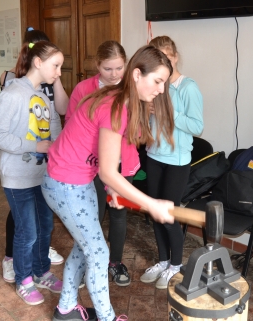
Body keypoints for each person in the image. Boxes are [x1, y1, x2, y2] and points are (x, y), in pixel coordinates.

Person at [42, 45, 175, 321]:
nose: (161, 90)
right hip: (65, 184)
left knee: (86, 245)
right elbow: (107, 172)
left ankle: (66, 308)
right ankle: (107, 317)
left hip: (78, 181)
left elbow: (108, 157)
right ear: (137, 74)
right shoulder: (115, 105)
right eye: (158, 82)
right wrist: (151, 204)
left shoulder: (120, 99)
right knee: (100, 253)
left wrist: (114, 188)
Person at [0, 41, 64, 305]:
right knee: (27, 231)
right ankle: (23, 280)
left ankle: (41, 271)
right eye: (56, 66)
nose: (59, 72)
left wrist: (60, 152)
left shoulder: (43, 95)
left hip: (42, 175)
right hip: (17, 177)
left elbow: (53, 127)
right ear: (38, 62)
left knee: (45, 227)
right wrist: (35, 145)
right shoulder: (12, 93)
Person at [65, 40, 137, 287]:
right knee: (92, 215)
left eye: (119, 68)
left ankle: (115, 262)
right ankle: (89, 261)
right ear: (97, 65)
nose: (115, 74)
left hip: (120, 164)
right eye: (108, 69)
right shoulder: (84, 89)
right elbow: (73, 127)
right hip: (90, 165)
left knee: (118, 213)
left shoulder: (131, 90)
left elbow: (136, 129)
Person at [140, 36, 204, 289]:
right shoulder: (155, 85)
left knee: (168, 215)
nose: (164, 62)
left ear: (175, 57)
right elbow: (150, 123)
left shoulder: (188, 87)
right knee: (156, 215)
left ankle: (176, 266)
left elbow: (197, 126)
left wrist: (171, 114)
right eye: (158, 58)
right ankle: (163, 260)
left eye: (167, 57)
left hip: (176, 162)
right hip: (154, 156)